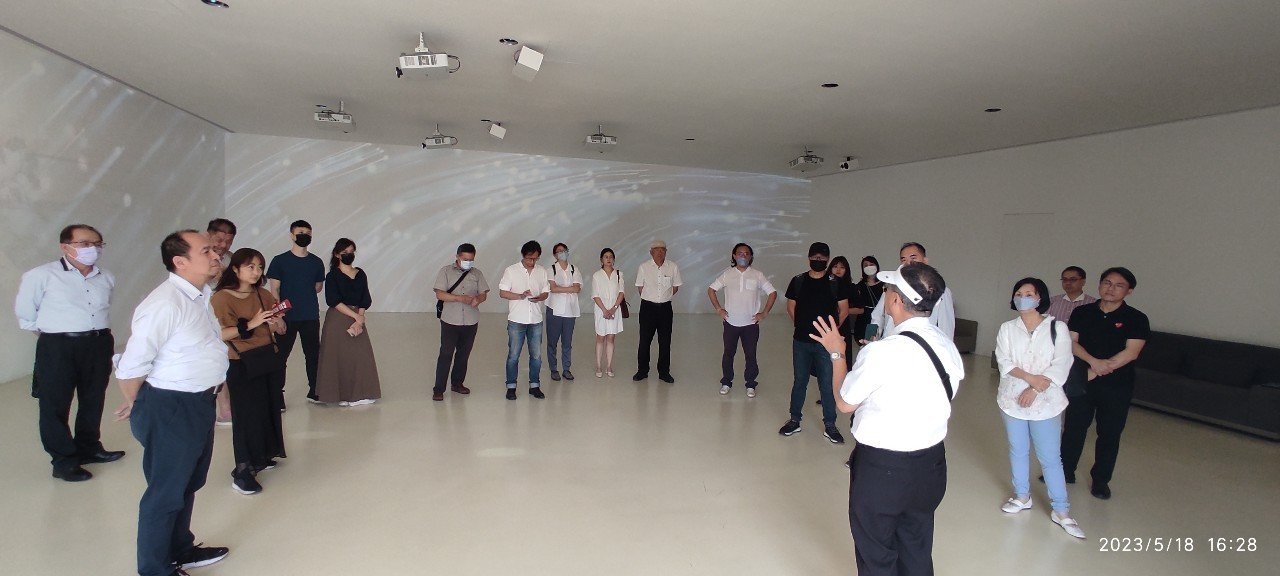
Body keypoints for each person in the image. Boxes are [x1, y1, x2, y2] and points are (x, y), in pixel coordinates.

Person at [811, 262, 963, 576]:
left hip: (884, 471)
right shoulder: (946, 345)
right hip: (932, 466)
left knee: (877, 555)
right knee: (916, 545)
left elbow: (844, 403)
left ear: (895, 301)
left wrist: (837, 353)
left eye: (889, 289)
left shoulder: (881, 353)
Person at [113, 230, 230, 576]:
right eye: (206, 251)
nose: (216, 254)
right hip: (172, 407)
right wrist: (146, 406)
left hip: (198, 403)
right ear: (180, 262)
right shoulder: (165, 304)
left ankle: (180, 548)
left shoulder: (200, 296)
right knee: (165, 492)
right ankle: (154, 569)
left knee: (188, 482)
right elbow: (131, 367)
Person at [14, 224, 124, 482]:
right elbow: (26, 314)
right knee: (55, 403)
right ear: (65, 247)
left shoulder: (106, 277)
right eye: (84, 244)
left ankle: (89, 447)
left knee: (93, 398)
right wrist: (56, 336)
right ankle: (63, 460)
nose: (92, 249)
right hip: (58, 346)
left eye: (97, 244)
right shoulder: (41, 275)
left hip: (98, 343)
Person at [994, 277, 1084, 539]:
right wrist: (1029, 379)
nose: (1023, 298)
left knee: (1050, 456)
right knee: (1018, 450)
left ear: (1040, 298)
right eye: (1019, 293)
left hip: (1046, 401)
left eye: (1029, 294)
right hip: (1011, 398)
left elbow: (1062, 362)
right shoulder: (1007, 328)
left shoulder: (1057, 327)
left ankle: (1061, 509)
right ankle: (1022, 496)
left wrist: (1034, 388)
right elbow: (1003, 360)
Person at [1060, 267, 1149, 500]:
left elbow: (1131, 352)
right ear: (1099, 285)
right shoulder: (1082, 312)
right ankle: (1065, 470)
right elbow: (1071, 342)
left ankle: (1100, 480)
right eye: (1107, 283)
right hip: (1083, 380)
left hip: (1117, 385)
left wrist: (1099, 369)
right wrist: (1092, 363)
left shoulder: (1136, 318)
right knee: (1074, 427)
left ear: (1129, 291)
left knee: (1109, 433)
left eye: (1119, 285)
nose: (1111, 288)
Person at [211, 248, 288, 495]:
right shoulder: (222, 298)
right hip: (241, 363)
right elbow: (220, 334)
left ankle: (262, 455)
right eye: (250, 267)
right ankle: (243, 471)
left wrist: (276, 321)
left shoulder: (263, 294)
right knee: (246, 416)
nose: (256, 272)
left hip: (266, 358)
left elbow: (278, 329)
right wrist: (251, 324)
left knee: (267, 410)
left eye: (260, 267)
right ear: (235, 269)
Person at [778, 242, 849, 443]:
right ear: (809, 258)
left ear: (827, 259)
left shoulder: (835, 282)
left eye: (822, 258)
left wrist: (831, 333)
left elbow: (843, 309)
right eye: (815, 257)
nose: (818, 260)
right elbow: (791, 306)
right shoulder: (798, 281)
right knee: (800, 381)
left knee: (826, 383)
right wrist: (800, 325)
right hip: (801, 341)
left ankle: (830, 425)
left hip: (825, 345)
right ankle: (794, 420)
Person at [315, 239, 381, 406]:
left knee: (361, 356)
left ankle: (362, 393)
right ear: (337, 255)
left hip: (357, 317)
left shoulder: (360, 274)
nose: (349, 255)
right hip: (338, 319)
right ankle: (341, 395)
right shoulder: (332, 276)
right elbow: (333, 300)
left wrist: (360, 318)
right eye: (345, 252)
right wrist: (356, 316)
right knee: (339, 358)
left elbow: (365, 298)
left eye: (351, 252)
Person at [266, 220, 325, 404]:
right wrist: (278, 316)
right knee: (280, 356)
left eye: (308, 233)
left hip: (310, 316)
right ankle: (277, 395)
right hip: (287, 317)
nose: (304, 235)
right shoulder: (279, 261)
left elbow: (318, 287)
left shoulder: (316, 262)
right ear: (292, 235)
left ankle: (315, 390)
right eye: (300, 232)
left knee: (313, 355)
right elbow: (274, 290)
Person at [707, 242, 777, 397]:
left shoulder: (757, 275)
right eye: (740, 253)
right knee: (728, 354)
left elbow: (772, 293)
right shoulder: (727, 274)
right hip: (731, 323)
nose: (743, 256)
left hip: (750, 324)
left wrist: (764, 313)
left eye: (746, 254)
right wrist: (719, 309)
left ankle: (750, 384)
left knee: (751, 355)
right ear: (734, 256)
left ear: (751, 256)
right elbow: (711, 290)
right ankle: (726, 382)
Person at [432, 243, 489, 402]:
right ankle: (439, 389)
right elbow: (440, 294)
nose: (468, 262)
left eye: (471, 260)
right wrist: (459, 298)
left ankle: (457, 383)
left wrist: (479, 299)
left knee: (463, 354)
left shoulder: (477, 273)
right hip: (450, 320)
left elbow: (484, 294)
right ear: (457, 257)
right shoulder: (445, 271)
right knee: (446, 354)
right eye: (465, 259)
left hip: (471, 320)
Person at [865, 242, 955, 341]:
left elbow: (946, 328)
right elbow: (876, 315)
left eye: (913, 258)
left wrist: (943, 346)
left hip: (918, 345)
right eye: (903, 260)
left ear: (925, 261)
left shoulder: (940, 291)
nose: (908, 263)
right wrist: (869, 338)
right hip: (888, 342)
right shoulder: (892, 286)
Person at [499, 241, 552, 400]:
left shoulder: (542, 271)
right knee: (513, 355)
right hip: (517, 319)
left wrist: (540, 297)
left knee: (536, 356)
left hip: (535, 319)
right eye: (530, 258)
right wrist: (520, 296)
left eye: (535, 258)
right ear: (523, 255)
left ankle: (534, 385)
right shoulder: (511, 271)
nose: (532, 261)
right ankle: (511, 386)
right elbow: (503, 292)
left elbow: (546, 291)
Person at [633, 240, 683, 383]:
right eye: (657, 249)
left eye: (663, 250)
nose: (660, 252)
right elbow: (640, 288)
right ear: (651, 252)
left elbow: (675, 287)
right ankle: (642, 371)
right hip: (648, 308)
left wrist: (663, 297)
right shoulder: (644, 267)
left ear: (666, 252)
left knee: (665, 341)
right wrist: (652, 298)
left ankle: (664, 372)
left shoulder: (672, 267)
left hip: (665, 308)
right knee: (644, 341)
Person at [206, 218, 237, 426]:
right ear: (208, 235)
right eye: (219, 240)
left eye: (228, 241)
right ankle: (224, 409)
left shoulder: (232, 259)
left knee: (227, 360)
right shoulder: (196, 256)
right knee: (214, 362)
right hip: (203, 317)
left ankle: (228, 408)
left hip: (226, 315)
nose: (223, 245)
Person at [545, 242, 583, 382]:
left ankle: (566, 369)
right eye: (559, 251)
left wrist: (561, 288)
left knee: (567, 342)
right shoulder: (551, 269)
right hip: (554, 309)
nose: (562, 253)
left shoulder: (574, 269)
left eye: (564, 250)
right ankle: (554, 369)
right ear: (555, 255)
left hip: (570, 311)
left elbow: (577, 288)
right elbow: (553, 288)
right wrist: (569, 289)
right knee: (552, 342)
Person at [591, 248, 625, 378]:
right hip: (601, 310)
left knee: (611, 338)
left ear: (614, 259)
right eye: (606, 257)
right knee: (600, 337)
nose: (608, 259)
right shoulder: (597, 275)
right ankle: (599, 366)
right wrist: (605, 310)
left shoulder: (619, 274)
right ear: (601, 259)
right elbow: (595, 295)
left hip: (614, 309)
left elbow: (621, 292)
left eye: (611, 257)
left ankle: (609, 366)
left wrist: (614, 308)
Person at [849, 255, 884, 355]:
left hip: (882, 317)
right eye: (866, 265)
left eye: (871, 264)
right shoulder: (859, 286)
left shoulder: (885, 284)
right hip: (865, 321)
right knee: (866, 349)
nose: (869, 267)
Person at [827, 255, 857, 370]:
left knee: (843, 360)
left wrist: (844, 310)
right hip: (826, 325)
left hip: (843, 326)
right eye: (835, 266)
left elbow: (860, 309)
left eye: (842, 267)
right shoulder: (825, 285)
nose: (838, 270)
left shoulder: (851, 287)